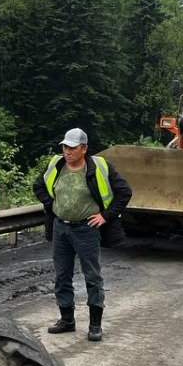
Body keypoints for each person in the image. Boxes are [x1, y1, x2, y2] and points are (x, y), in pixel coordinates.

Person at [32, 127, 131, 342]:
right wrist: (52, 205)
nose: (67, 151)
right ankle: (67, 320)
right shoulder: (56, 164)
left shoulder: (100, 167)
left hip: (86, 230)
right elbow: (38, 186)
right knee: (62, 276)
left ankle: (95, 325)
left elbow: (124, 192)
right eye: (65, 147)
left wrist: (105, 216)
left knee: (93, 277)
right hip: (61, 228)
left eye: (72, 147)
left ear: (84, 149)